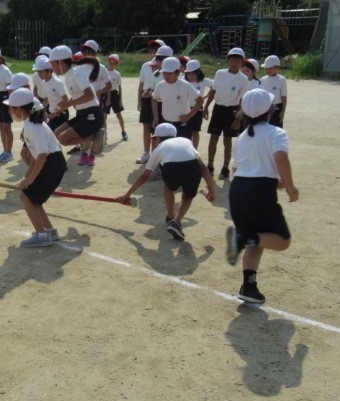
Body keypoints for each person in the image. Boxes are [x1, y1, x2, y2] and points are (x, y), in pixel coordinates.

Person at [226, 88, 299, 304]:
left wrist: (270, 180)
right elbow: (280, 158)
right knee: (282, 241)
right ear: (270, 110)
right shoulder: (276, 132)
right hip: (258, 192)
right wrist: (290, 188)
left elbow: (236, 170)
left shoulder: (241, 137)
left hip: (238, 190)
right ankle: (243, 238)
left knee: (257, 241)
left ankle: (249, 287)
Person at [116, 123, 215, 240]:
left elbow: (144, 177)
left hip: (172, 170)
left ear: (157, 138)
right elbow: (203, 167)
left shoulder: (159, 148)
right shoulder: (186, 141)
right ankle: (176, 221)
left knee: (168, 187)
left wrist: (127, 195)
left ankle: (171, 217)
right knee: (187, 197)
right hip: (193, 168)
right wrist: (211, 191)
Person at [5, 88, 67, 247]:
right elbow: (35, 151)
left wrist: (32, 177)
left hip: (52, 163)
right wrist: (30, 169)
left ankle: (42, 236)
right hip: (53, 162)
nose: (9, 111)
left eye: (11, 107)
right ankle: (49, 231)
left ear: (19, 109)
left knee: (26, 197)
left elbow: (42, 153)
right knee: (34, 198)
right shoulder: (31, 122)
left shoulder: (33, 127)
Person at [49, 45, 104, 167]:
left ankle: (96, 136)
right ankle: (94, 137)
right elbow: (77, 95)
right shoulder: (69, 76)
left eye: (52, 64)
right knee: (57, 132)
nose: (51, 67)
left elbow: (90, 95)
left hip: (92, 115)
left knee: (63, 139)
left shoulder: (76, 74)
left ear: (60, 62)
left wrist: (67, 104)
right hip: (82, 114)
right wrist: (62, 107)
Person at [204, 47, 248, 180]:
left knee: (227, 140)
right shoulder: (220, 73)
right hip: (218, 109)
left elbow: (242, 100)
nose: (234, 63)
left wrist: (238, 118)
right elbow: (213, 91)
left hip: (232, 111)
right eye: (232, 60)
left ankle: (225, 168)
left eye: (237, 60)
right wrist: (206, 107)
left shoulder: (243, 79)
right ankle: (210, 165)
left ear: (242, 62)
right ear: (227, 61)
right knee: (213, 137)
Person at [151, 57, 203, 141]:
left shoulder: (185, 85)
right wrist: (156, 117)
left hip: (183, 125)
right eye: (164, 73)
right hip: (166, 124)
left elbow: (200, 100)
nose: (166, 76)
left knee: (183, 150)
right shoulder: (160, 86)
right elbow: (154, 99)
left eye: (170, 73)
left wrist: (188, 116)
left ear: (178, 73)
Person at [137, 44, 172, 163]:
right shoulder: (155, 72)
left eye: (160, 58)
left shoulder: (174, 74)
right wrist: (146, 93)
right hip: (151, 101)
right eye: (157, 58)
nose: (157, 60)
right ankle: (149, 154)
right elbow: (147, 86)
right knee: (149, 127)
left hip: (165, 104)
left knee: (161, 130)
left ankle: (159, 156)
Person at [184, 59, 213, 150]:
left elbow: (214, 86)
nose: (190, 76)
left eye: (193, 73)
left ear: (198, 72)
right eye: (188, 73)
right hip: (185, 108)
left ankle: (194, 150)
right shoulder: (182, 80)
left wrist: (207, 95)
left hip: (197, 109)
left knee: (195, 131)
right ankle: (185, 149)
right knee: (185, 131)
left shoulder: (203, 81)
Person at [34, 55, 68, 131]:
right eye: (38, 72)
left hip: (61, 114)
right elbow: (46, 100)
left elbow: (65, 100)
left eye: (41, 72)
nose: (39, 74)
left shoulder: (57, 82)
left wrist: (57, 111)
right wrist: (40, 111)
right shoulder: (43, 83)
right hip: (52, 113)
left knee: (55, 137)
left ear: (49, 70)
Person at [260, 55, 288, 128]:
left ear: (277, 67)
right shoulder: (263, 79)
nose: (267, 70)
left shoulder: (281, 80)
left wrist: (283, 111)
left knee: (276, 129)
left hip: (277, 108)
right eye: (266, 68)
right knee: (265, 128)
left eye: (270, 68)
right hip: (265, 107)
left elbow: (284, 96)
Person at [105, 53, 127, 141]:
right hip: (105, 95)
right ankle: (104, 135)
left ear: (116, 64)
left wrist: (120, 100)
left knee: (119, 114)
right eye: (110, 62)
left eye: (114, 63)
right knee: (104, 116)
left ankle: (123, 132)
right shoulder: (103, 72)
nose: (111, 64)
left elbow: (119, 87)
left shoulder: (117, 74)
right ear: (107, 62)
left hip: (114, 94)